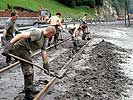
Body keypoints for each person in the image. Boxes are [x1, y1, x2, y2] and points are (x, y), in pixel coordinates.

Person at [2, 26, 56, 100]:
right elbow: (19, 35)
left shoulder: (44, 39)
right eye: (52, 35)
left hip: (26, 50)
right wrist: (8, 47)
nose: (51, 37)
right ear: (50, 33)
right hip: (20, 48)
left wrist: (46, 65)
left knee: (30, 68)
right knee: (28, 70)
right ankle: (28, 93)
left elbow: (44, 52)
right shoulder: (38, 33)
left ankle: (30, 87)